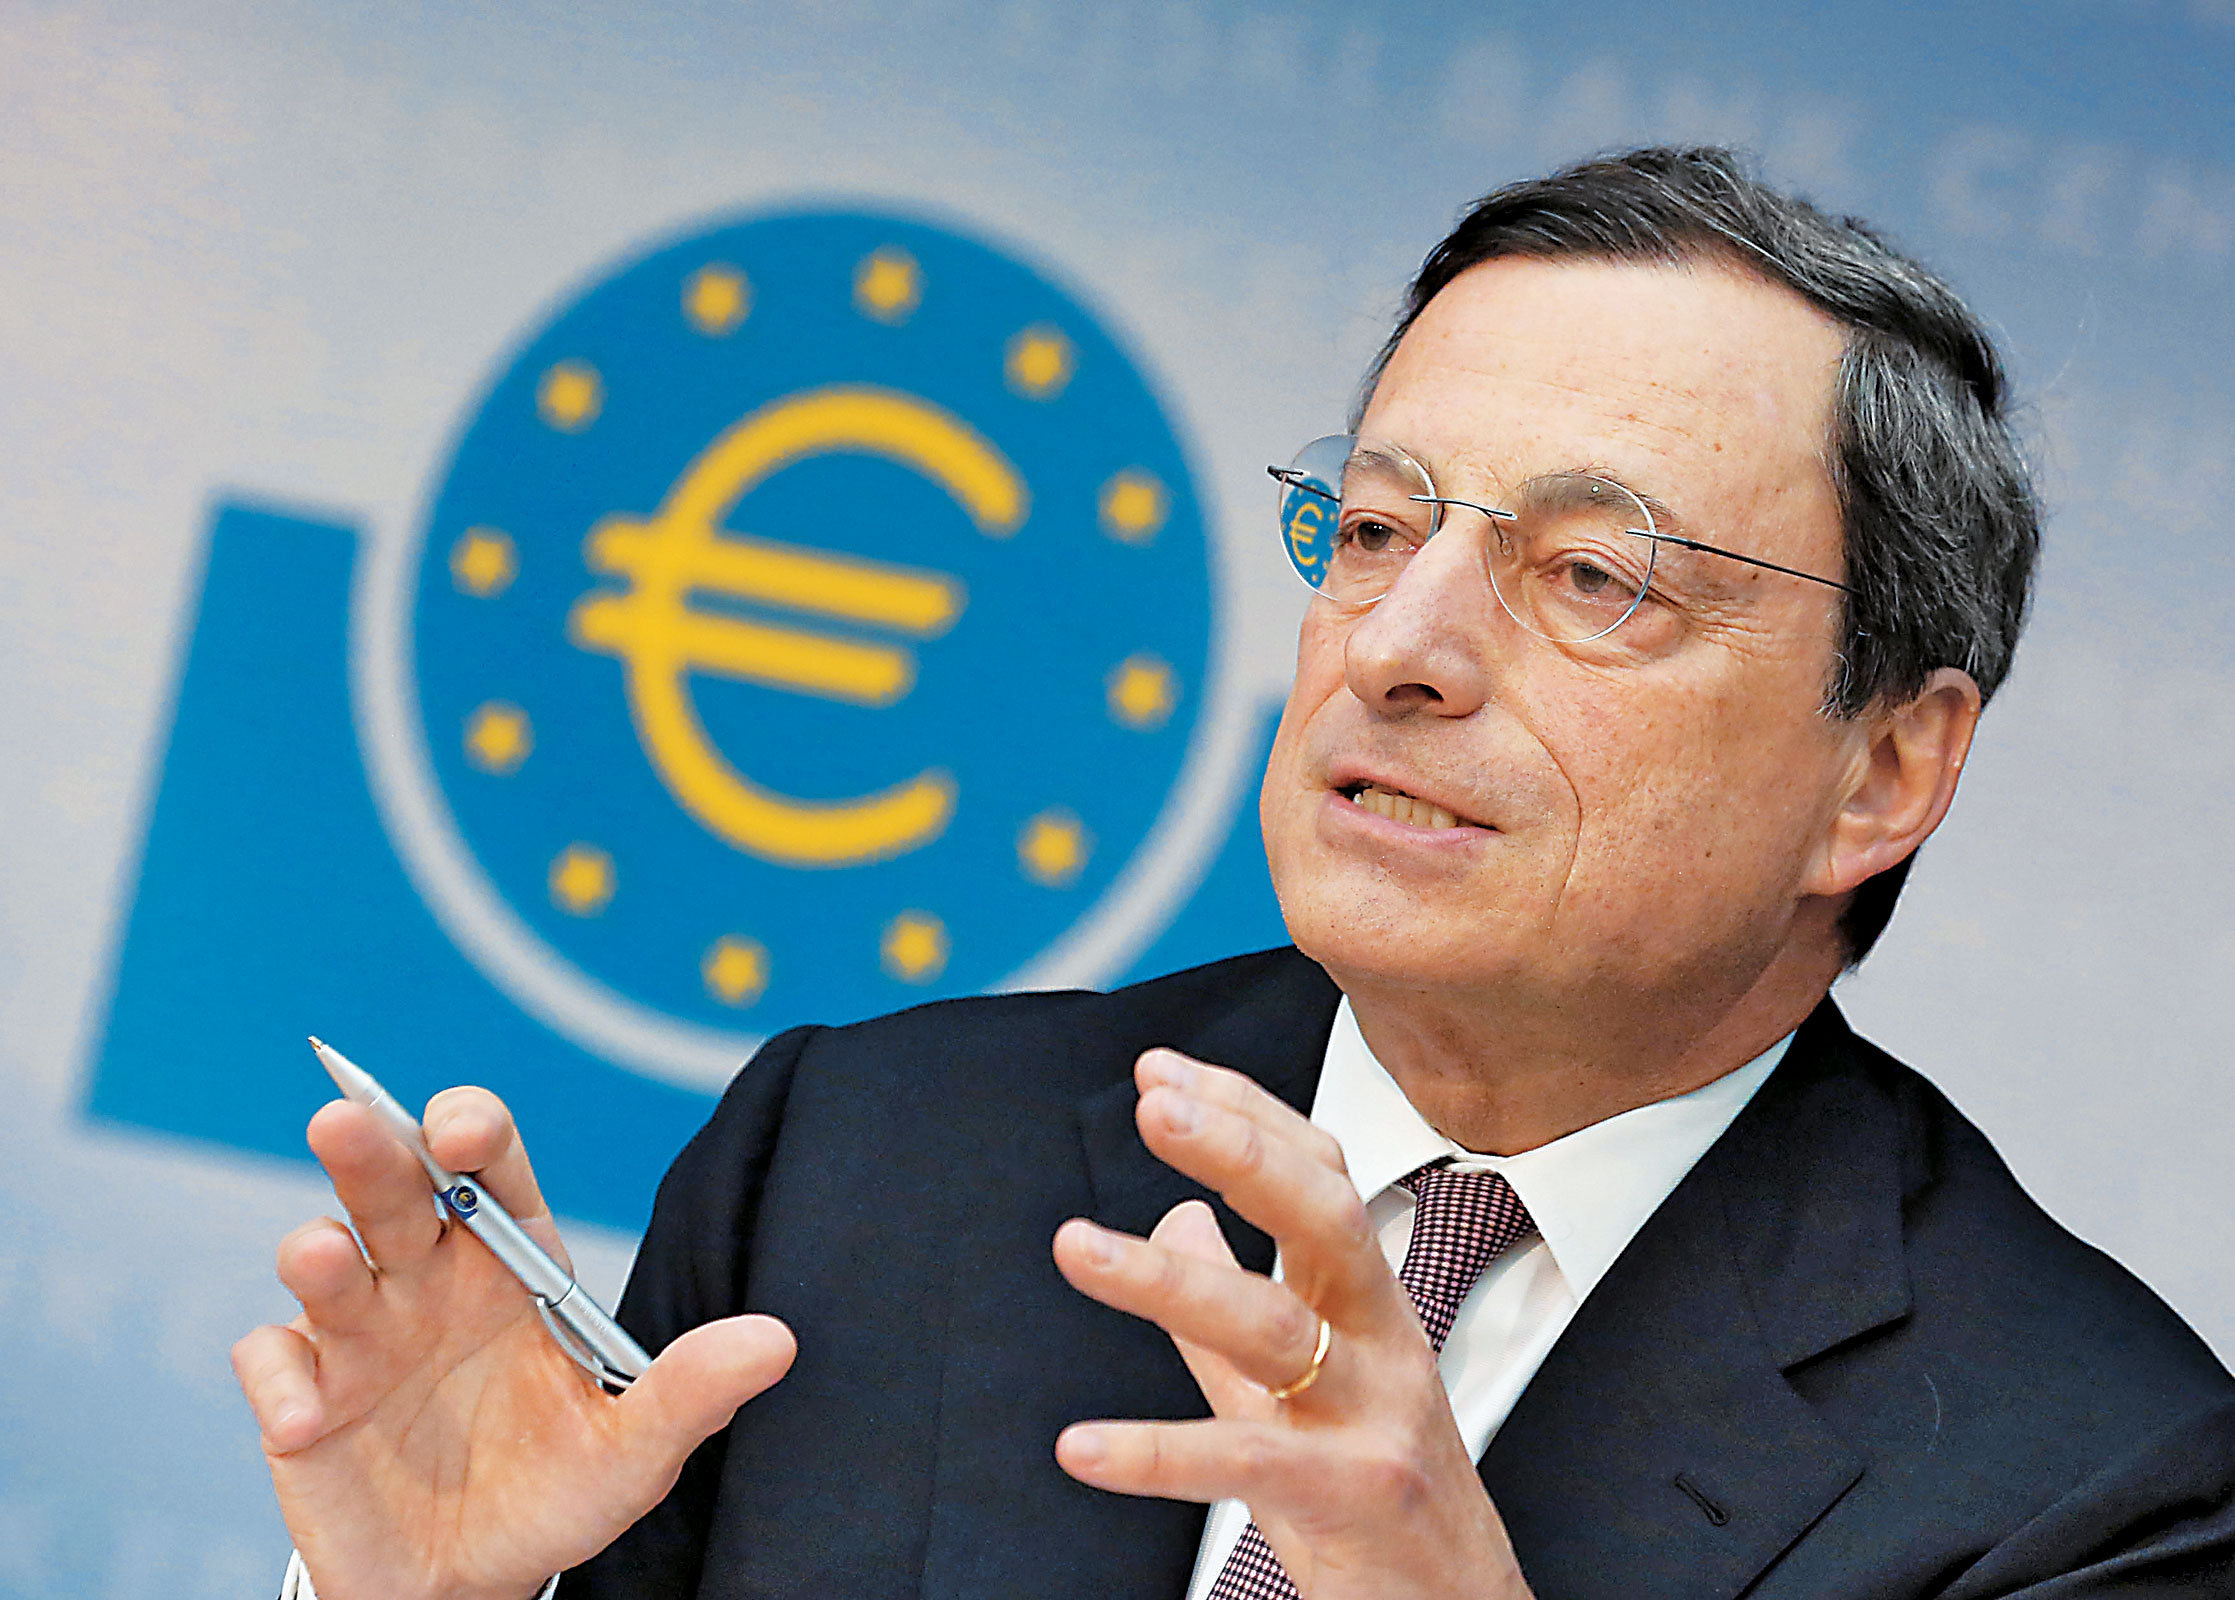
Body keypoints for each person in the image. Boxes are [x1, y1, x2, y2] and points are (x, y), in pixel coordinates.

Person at [232, 147, 2235, 1600]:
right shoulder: (864, 1157)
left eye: (1591, 575)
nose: (1400, 648)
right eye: (1372, 529)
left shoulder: (2096, 1490)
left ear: (1883, 767)